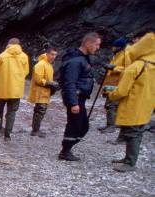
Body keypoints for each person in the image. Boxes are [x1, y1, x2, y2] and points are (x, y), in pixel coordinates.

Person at [106, 32, 154, 172]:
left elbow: (121, 91)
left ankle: (130, 162)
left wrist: (112, 95)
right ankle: (128, 158)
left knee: (132, 132)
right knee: (137, 132)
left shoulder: (136, 67)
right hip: (146, 105)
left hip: (133, 104)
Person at [58, 32, 101, 161]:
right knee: (75, 124)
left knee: (82, 125)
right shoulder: (76, 61)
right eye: (96, 44)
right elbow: (70, 82)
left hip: (79, 97)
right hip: (75, 98)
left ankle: (66, 149)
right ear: (88, 43)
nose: (98, 47)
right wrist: (73, 103)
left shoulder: (82, 58)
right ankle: (65, 151)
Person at [0, 38, 30, 141]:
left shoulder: (1, 56)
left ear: (8, 44)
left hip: (2, 89)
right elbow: (26, 72)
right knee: (11, 112)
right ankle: (7, 136)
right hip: (16, 90)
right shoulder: (24, 57)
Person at [27, 47, 59, 137]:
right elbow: (38, 80)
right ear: (47, 54)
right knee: (40, 111)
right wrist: (51, 83)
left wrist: (52, 85)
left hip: (44, 92)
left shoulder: (48, 65)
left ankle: (35, 129)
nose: (54, 56)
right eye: (52, 54)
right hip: (40, 92)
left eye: (55, 55)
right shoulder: (41, 64)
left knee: (40, 111)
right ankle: (35, 131)